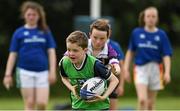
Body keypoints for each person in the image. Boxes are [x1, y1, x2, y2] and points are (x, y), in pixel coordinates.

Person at [3, 1, 57, 110]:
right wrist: (8, 74)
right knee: (29, 103)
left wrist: (52, 71)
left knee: (42, 103)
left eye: (34, 14)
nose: (31, 17)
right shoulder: (19, 32)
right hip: (24, 72)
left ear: (39, 16)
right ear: (24, 15)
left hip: (42, 72)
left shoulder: (45, 31)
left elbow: (51, 52)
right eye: (29, 14)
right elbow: (13, 54)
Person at [124, 6, 173, 110]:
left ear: (157, 18)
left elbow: (166, 55)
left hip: (156, 69)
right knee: (142, 100)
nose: (151, 18)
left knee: (150, 104)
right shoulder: (136, 33)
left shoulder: (161, 34)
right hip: (140, 69)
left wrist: (167, 72)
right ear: (144, 18)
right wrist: (126, 69)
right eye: (148, 16)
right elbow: (130, 52)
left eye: (153, 16)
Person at [59, 31, 119, 110]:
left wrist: (104, 96)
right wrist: (71, 87)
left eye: (75, 50)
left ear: (85, 50)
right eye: (69, 50)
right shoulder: (64, 63)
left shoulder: (95, 65)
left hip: (99, 107)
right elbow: (64, 77)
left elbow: (114, 80)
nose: (71, 54)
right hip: (78, 106)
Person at [87, 18, 123, 110]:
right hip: (86, 84)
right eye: (95, 37)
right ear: (90, 35)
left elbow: (115, 63)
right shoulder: (83, 46)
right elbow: (68, 55)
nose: (98, 42)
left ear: (108, 37)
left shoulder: (110, 50)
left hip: (106, 85)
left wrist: (117, 69)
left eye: (102, 38)